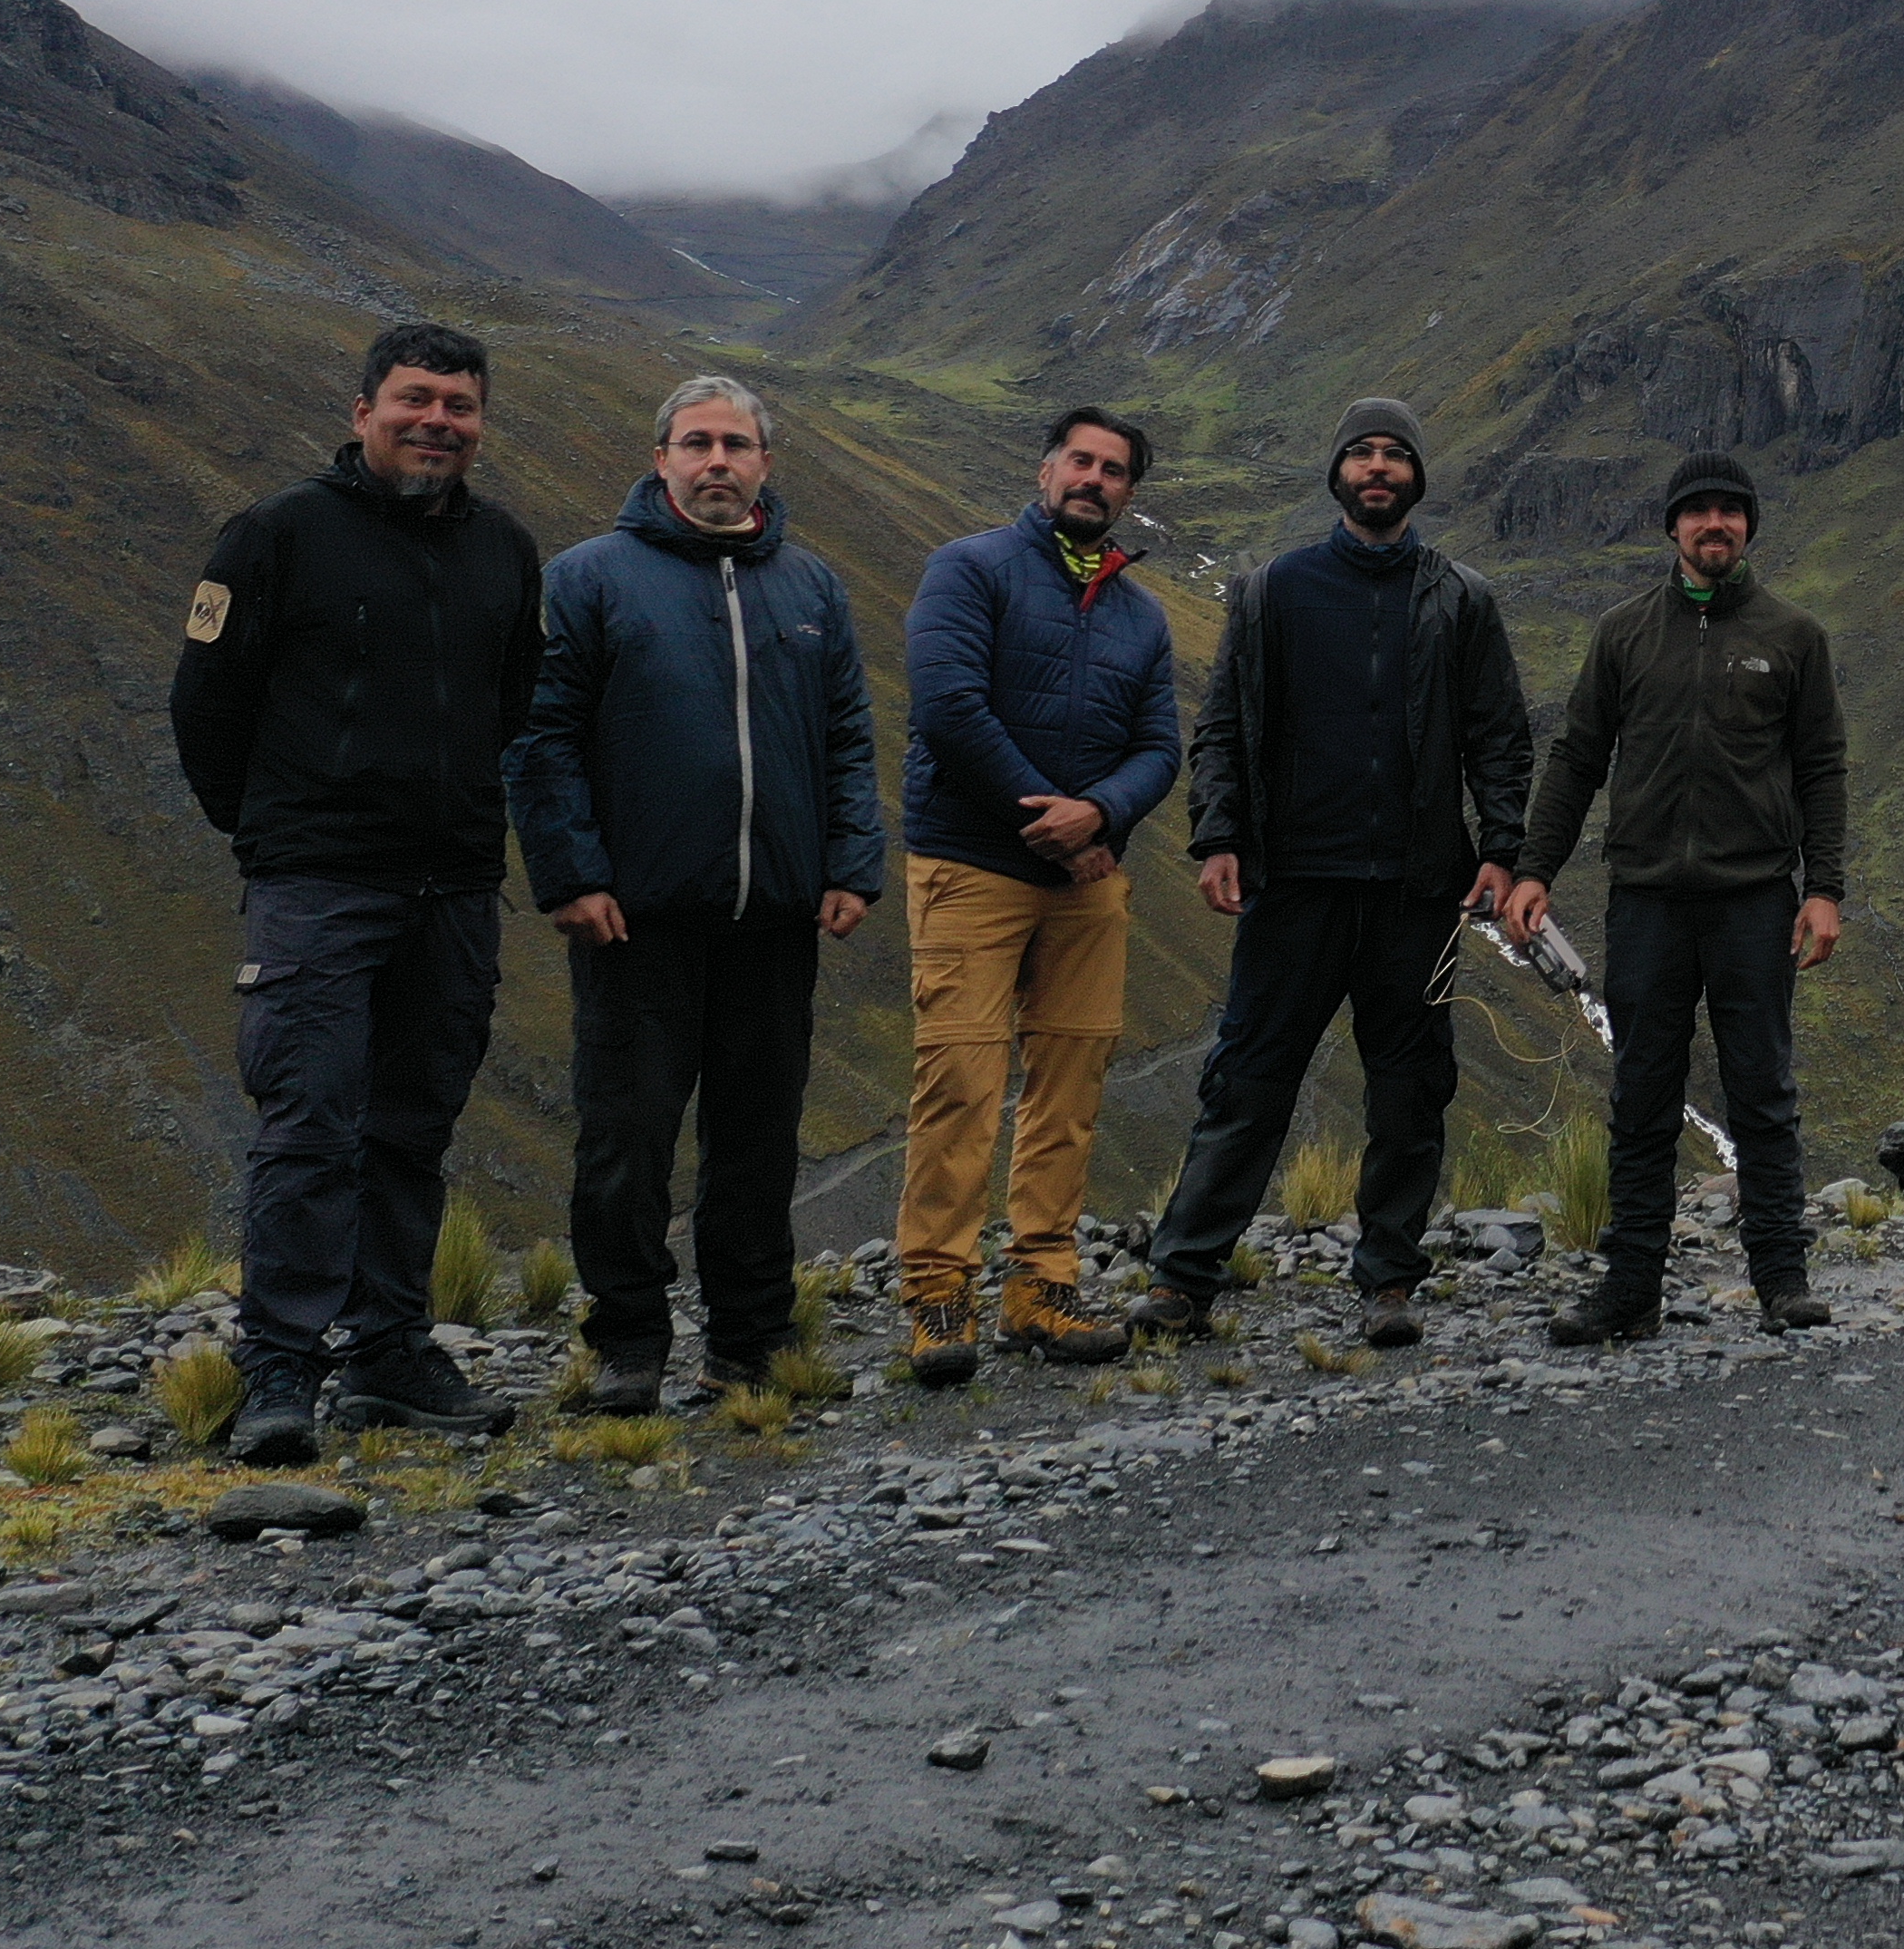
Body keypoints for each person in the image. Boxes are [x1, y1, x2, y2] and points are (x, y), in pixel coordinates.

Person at [168, 319, 544, 1461]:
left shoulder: (506, 550)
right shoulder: (276, 536)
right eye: (417, 399)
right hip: (319, 889)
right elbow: (206, 706)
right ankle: (279, 1367)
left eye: (461, 405)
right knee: (309, 1124)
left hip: (454, 890)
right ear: (362, 410)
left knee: (411, 1129)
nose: (439, 421)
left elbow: (511, 703)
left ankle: (389, 1356)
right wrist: (279, 831)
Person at [507, 374, 882, 1416]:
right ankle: (627, 1344)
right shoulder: (589, 579)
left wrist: (853, 863)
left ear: (766, 463)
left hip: (775, 917)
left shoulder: (812, 588)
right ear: (660, 457)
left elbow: (847, 738)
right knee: (627, 1140)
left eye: (736, 445)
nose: (717, 462)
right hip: (637, 920)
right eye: (697, 444)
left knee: (759, 1142)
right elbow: (541, 742)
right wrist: (570, 873)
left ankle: (750, 1344)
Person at [1135, 399, 1530, 1347]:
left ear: (1417, 478)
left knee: (1409, 1090)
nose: (1380, 468)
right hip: (1294, 886)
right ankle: (1185, 1278)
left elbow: (1500, 738)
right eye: (1363, 453)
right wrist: (1218, 836)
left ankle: (1388, 1281)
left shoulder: (1463, 599)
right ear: (1339, 475)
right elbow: (1223, 724)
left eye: (1397, 454)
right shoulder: (1273, 590)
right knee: (1248, 1079)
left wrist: (1500, 850)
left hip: (1416, 891)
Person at [1499, 449, 1847, 1343]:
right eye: (1699, 512)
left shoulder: (1794, 636)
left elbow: (1820, 771)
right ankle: (1629, 1295)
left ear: (1749, 526)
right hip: (1646, 900)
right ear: (1673, 528)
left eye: (1731, 511)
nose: (1715, 524)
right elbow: (1578, 757)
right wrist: (1536, 868)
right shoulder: (1622, 634)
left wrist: (1825, 891)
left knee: (1762, 1091)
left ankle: (1782, 1283)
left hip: (1756, 902)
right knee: (1643, 1097)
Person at [893, 407, 1172, 1383]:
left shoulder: (1141, 613)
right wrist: (1052, 827)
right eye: (1080, 461)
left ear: (1130, 491)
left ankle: (1042, 1293)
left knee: (1070, 1086)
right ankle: (937, 1298)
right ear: (1047, 468)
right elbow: (947, 705)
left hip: (1088, 880)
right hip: (972, 867)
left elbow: (1161, 748)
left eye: (1114, 469)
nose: (1093, 479)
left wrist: (1098, 816)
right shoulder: (969, 569)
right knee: (960, 1084)